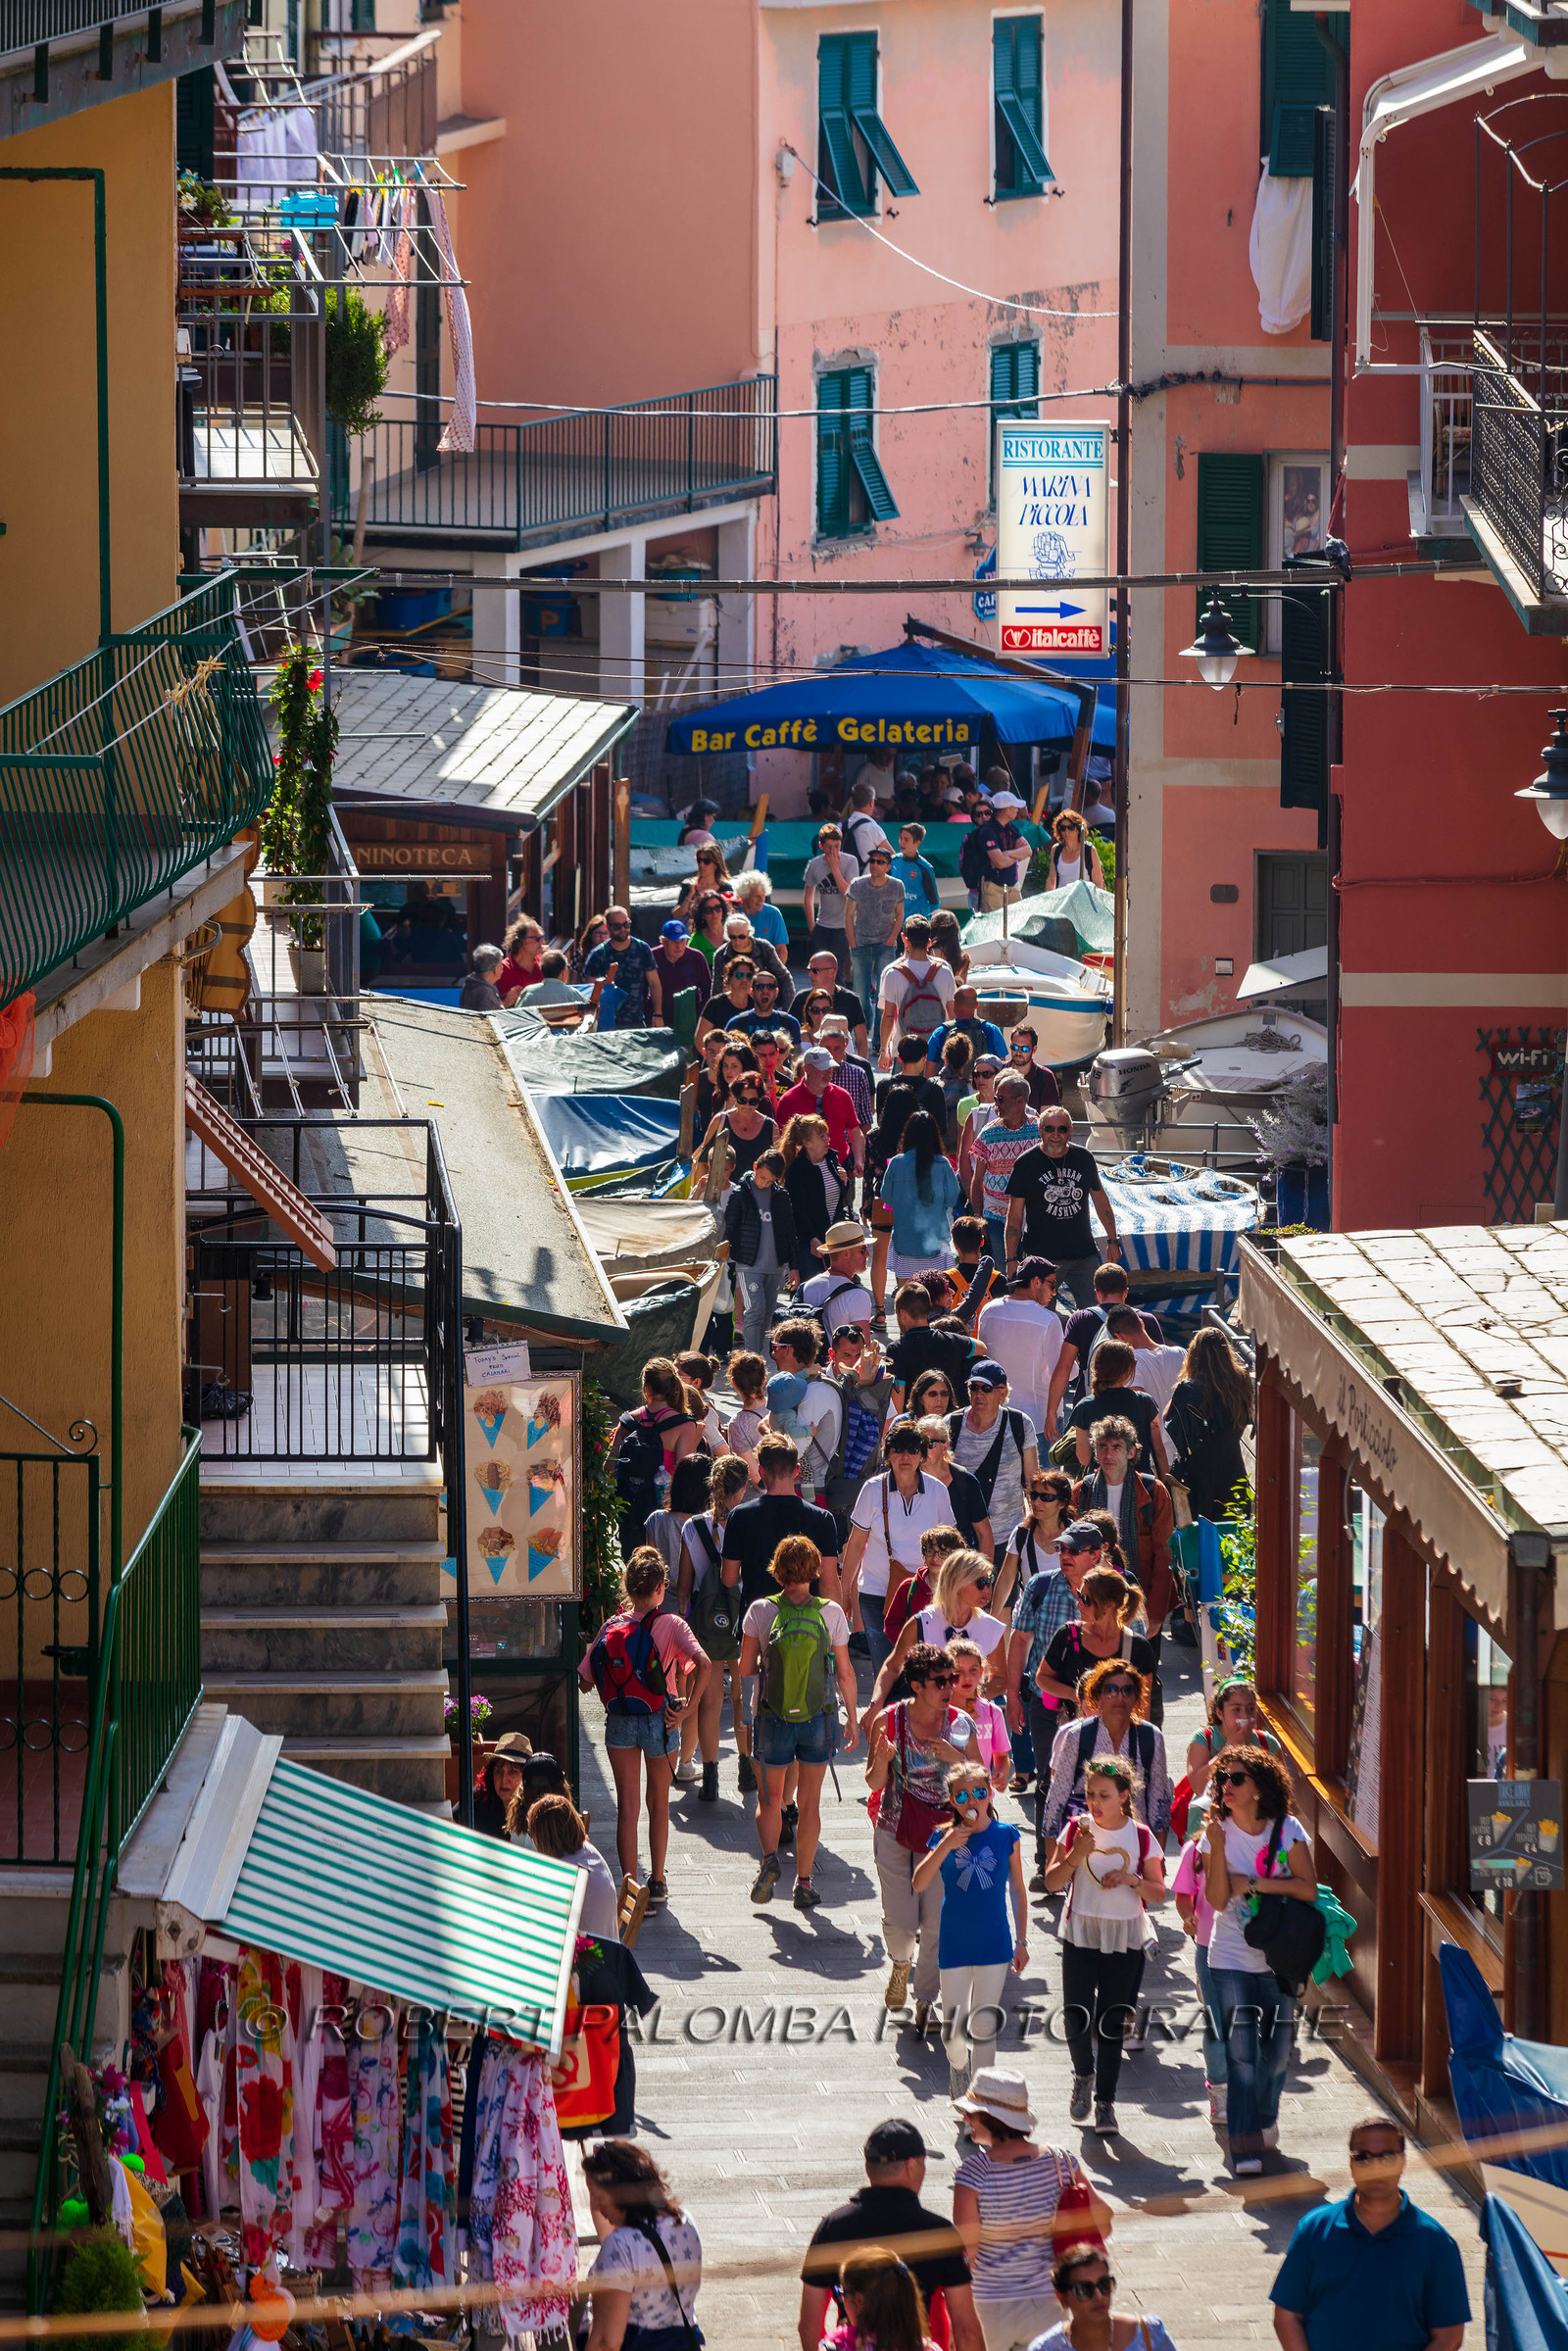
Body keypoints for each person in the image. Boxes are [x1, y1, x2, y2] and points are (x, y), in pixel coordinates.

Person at [1200, 1742, 1316, 2173]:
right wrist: (1213, 1849)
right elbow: (1215, 1900)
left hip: (1281, 1958)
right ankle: (1244, 2145)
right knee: (1242, 2054)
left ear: (1260, 1786)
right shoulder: (1217, 1833)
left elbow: (1308, 1888)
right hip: (1229, 1956)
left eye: (1236, 1778)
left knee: (1279, 2051)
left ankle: (1265, 2120)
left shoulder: (1288, 1831)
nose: (1226, 1786)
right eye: (1222, 1779)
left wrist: (1252, 1883)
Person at [1269, 2117, 1471, 2351]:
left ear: (1403, 2162)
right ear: (1351, 2163)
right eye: (1364, 2157)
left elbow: (1449, 2337)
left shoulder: (1436, 2243)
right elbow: (1286, 2317)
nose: (1375, 2168)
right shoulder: (1315, 2228)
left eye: (1386, 2157)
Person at [581, 1546, 710, 1905]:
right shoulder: (672, 1624)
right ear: (661, 1588)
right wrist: (689, 1709)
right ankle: (657, 1882)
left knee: (628, 1806)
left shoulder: (612, 1625)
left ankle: (629, 1888)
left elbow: (584, 1681)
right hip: (662, 1721)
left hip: (620, 1721)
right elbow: (705, 1664)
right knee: (659, 1803)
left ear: (628, 1587)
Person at [1045, 1754, 1166, 2132]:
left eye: (1104, 1795)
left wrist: (1132, 1881)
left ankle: (1106, 2103)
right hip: (1081, 1930)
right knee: (1076, 2014)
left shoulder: (1141, 1836)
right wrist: (1075, 1855)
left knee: (1112, 2022)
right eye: (1090, 1794)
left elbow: (1159, 1892)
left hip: (1125, 1934)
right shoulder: (1075, 1831)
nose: (1095, 1803)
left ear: (1124, 1796)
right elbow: (1051, 1882)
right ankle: (1084, 2074)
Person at [740, 1534, 859, 1910]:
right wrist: (852, 1717)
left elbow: (744, 1668)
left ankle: (770, 1860)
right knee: (809, 1804)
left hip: (772, 1716)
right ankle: (804, 1883)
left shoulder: (760, 1610)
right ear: (814, 1570)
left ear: (778, 1570)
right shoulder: (832, 1613)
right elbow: (844, 1673)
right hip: (818, 1717)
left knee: (770, 1798)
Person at [953, 2070, 1108, 2351]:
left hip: (989, 2305)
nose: (966, 2119)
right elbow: (1104, 2222)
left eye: (971, 2113)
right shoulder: (1061, 2161)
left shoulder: (973, 2172)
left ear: (990, 2117)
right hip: (1047, 2304)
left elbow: (967, 2251)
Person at [867, 1642, 980, 2027]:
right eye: (940, 1681)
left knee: (936, 1923)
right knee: (900, 1923)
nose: (951, 1686)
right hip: (896, 1828)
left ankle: (926, 1997)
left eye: (952, 1678)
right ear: (916, 1686)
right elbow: (873, 1781)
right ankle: (901, 1963)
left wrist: (959, 1760)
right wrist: (881, 1762)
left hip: (946, 1836)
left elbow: (981, 1784)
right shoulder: (888, 1721)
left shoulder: (961, 1724)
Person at [800, 2117, 983, 2351]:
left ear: (869, 2167)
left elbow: (808, 2326)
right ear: (912, 2165)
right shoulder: (939, 2234)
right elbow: (966, 2331)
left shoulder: (831, 2228)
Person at [914, 1762, 1028, 2097]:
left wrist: (1022, 1941)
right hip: (954, 1945)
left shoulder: (1007, 1834)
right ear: (952, 1801)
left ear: (989, 1794)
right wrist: (946, 1845)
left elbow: (1018, 1889)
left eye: (979, 1792)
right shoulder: (943, 1838)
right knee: (953, 2034)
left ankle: (981, 2101)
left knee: (984, 2025)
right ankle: (958, 2067)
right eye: (962, 1795)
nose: (972, 1801)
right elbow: (919, 1882)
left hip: (994, 1944)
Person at [844, 1421, 959, 1670]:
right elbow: (855, 1545)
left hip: (927, 1593)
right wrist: (845, 1595)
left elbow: (951, 1547)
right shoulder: (873, 1490)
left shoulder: (938, 1491)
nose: (905, 1456)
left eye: (912, 1449)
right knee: (887, 1670)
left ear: (922, 1455)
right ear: (887, 1454)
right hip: (876, 1593)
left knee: (925, 1669)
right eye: (897, 1449)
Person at [678, 1450, 753, 1799]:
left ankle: (709, 1778)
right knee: (741, 1698)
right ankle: (745, 1766)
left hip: (706, 1625)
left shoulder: (692, 1528)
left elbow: (683, 1588)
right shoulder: (748, 1522)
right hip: (743, 1622)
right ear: (744, 1486)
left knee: (709, 1702)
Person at [580, 2139, 703, 2351]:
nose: (597, 2207)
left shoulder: (620, 2247)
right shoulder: (684, 2221)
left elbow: (606, 2343)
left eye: (599, 2198)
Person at [1041, 1658, 1172, 1845]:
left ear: (1137, 1697)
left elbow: (1160, 1802)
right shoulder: (1078, 1736)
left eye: (1127, 1690)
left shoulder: (1151, 1737)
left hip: (1134, 1845)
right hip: (1084, 1844)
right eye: (1110, 1690)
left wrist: (1157, 1856)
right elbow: (1056, 1798)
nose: (1119, 1697)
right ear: (1097, 1696)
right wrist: (1052, 1858)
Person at [1073, 1418, 1175, 1655]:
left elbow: (1164, 1555)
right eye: (1102, 1446)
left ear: (1131, 1452)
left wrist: (1157, 1613)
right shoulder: (1082, 1492)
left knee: (1143, 1670)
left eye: (1116, 1447)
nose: (1108, 1453)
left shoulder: (1153, 1492)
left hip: (1140, 1596)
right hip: (1093, 1599)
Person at [1004, 1110, 1121, 1314]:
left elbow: (1101, 1201)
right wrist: (1011, 1258)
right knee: (1040, 1316)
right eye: (1049, 1128)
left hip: (1083, 1254)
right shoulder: (1025, 1163)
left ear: (1070, 1131)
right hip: (1042, 1258)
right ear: (1040, 1130)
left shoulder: (1084, 1158)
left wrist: (1113, 1240)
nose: (1055, 1134)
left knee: (1096, 1315)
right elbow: (1014, 1216)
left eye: (1062, 1129)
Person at [873, 1546, 1008, 1710]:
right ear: (958, 1582)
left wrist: (969, 1699)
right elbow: (892, 1667)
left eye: (989, 1581)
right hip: (925, 1718)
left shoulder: (991, 1628)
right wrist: (876, 1704)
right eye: (981, 1582)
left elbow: (1000, 1680)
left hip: (971, 1719)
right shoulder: (922, 1623)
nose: (987, 1589)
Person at [1045, 1263, 1156, 1435]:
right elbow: (1158, 1367)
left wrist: (1051, 1412)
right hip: (1135, 1412)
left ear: (1097, 1293)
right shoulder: (1146, 1321)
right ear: (1125, 1292)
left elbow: (1063, 1369)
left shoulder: (1080, 1319)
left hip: (1090, 1410)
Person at [1035, 1565, 1155, 1713]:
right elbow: (1042, 1678)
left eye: (1086, 1599)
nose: (1078, 1603)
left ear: (1109, 1605)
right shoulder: (1067, 1635)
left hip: (1121, 1734)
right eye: (1079, 1595)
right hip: (1076, 1732)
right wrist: (1076, 1695)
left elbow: (1143, 1709)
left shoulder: (1138, 1647)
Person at [948, 1360, 1039, 1555]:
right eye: (974, 1387)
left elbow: (1033, 1482)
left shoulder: (1020, 1424)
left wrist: (1035, 1527)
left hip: (1008, 1536)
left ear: (1003, 1392)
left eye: (986, 1389)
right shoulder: (951, 1424)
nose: (978, 1394)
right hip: (960, 1536)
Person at [1165, 1328, 1254, 1523]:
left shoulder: (1188, 1389)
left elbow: (1172, 1425)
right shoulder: (1242, 1382)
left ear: (1194, 1354)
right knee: (1234, 1531)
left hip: (1199, 1474)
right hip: (1233, 1468)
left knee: (1201, 1535)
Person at [612, 1360, 701, 1557]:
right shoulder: (684, 1425)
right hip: (664, 1512)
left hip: (630, 1508)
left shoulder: (627, 1421)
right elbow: (684, 1475)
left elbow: (609, 1466)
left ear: (647, 1387)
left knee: (634, 1564)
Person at [1171, 1826, 1227, 2125]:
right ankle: (1219, 2091)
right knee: (1217, 2022)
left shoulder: (1263, 1840)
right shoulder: (1194, 1850)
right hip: (1209, 1947)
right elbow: (1184, 1896)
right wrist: (1188, 1916)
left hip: (1255, 1949)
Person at [1031, 2241, 1180, 2351]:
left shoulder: (1149, 2334)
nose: (1098, 2296)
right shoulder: (1046, 2348)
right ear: (1063, 2298)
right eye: (1084, 2289)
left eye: (1104, 2285)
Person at [976, 1259, 1062, 1439]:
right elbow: (1063, 1373)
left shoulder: (988, 1310)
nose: (1054, 1292)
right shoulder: (1049, 1320)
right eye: (1052, 1284)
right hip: (1038, 1422)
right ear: (1036, 1282)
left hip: (995, 1417)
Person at [518, 1791, 621, 1939]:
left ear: (543, 1838)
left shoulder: (567, 1875)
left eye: (531, 1833)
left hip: (588, 1956)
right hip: (606, 1949)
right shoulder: (586, 1850)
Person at [724, 1147, 796, 1354]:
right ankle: (751, 1358)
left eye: (769, 1180)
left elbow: (790, 1232)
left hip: (774, 1266)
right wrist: (726, 1245)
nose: (763, 1183)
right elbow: (729, 1225)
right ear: (755, 1167)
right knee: (754, 1310)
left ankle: (756, 1356)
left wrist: (794, 1266)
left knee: (766, 1314)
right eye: (762, 1177)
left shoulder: (782, 1197)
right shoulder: (740, 1194)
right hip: (748, 1263)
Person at [881, 1109, 962, 1283]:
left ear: (907, 1135)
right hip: (936, 1246)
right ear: (935, 1135)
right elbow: (952, 1199)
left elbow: (887, 1197)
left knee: (906, 1299)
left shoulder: (896, 1163)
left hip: (904, 1244)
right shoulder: (942, 1163)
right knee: (937, 1299)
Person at [969, 1075, 1039, 1270]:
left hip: (1030, 1212)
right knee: (1002, 1264)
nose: (995, 1105)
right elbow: (977, 1180)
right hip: (995, 1211)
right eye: (995, 1098)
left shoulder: (1040, 1131)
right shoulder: (988, 1133)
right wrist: (978, 1217)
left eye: (1000, 1099)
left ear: (1019, 1101)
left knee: (1029, 1266)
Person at [1067, 1352, 1169, 1481]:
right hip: (1141, 1485)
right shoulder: (1145, 1401)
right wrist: (1166, 1485)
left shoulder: (1085, 1406)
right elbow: (1159, 1450)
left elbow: (1084, 1458)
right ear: (1128, 1369)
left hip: (1101, 1485)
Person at [879, 913, 957, 1069]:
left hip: (903, 1051)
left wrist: (884, 1050)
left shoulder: (892, 973)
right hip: (936, 1051)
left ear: (904, 939)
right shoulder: (944, 970)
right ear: (929, 942)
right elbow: (952, 1014)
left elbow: (888, 1016)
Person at [778, 1046, 864, 1176]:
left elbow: (856, 1132)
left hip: (840, 1169)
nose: (829, 1073)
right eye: (823, 1068)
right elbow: (781, 1139)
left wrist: (859, 1160)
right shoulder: (788, 1100)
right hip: (802, 1173)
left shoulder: (843, 1095)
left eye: (831, 1068)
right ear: (806, 1069)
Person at [781, 1113, 851, 1276]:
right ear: (807, 1143)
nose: (828, 1139)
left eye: (826, 1134)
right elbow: (797, 1211)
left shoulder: (832, 1160)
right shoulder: (797, 1170)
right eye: (821, 1136)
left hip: (834, 1240)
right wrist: (812, 1238)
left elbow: (836, 1199)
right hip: (810, 1245)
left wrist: (844, 1183)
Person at [915, 1416, 994, 1557]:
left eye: (930, 1444)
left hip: (957, 1567)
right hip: (918, 1566)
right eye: (920, 1443)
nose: (923, 1449)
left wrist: (984, 1576)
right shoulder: (908, 1481)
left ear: (945, 1447)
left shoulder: (964, 1481)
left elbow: (984, 1534)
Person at [890, 1283, 974, 1407]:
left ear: (902, 1313)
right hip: (947, 1421)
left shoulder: (896, 1349)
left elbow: (897, 1401)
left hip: (915, 1423)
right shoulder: (951, 1341)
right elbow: (982, 1347)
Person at [846, 842, 906, 1018]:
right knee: (860, 994)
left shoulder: (897, 886)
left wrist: (892, 939)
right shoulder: (858, 884)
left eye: (880, 862)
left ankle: (880, 1039)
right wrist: (852, 942)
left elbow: (900, 915)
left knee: (884, 993)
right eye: (872, 861)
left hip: (885, 945)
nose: (874, 864)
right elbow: (848, 915)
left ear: (888, 867)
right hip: (861, 944)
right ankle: (864, 1029)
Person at [692, 1069, 774, 1195]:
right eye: (742, 1100)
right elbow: (703, 1163)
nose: (747, 1106)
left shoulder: (771, 1127)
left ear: (760, 1100)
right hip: (720, 1196)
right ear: (734, 1097)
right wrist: (698, 1196)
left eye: (753, 1102)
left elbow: (777, 1169)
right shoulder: (720, 1121)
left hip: (756, 1198)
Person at [583, 906, 661, 1028]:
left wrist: (658, 1014)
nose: (623, 929)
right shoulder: (598, 955)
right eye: (617, 927)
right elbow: (590, 991)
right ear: (608, 927)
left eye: (626, 925)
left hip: (636, 1021)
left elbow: (654, 983)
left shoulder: (642, 949)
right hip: (606, 1023)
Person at [803, 1221, 878, 1340]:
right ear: (846, 1253)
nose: (868, 1254)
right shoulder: (858, 1297)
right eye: (863, 1249)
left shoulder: (807, 1286)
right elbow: (863, 1349)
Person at [712, 910, 796, 1008]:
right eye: (733, 937)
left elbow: (784, 977)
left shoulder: (764, 948)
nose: (737, 941)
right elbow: (717, 986)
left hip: (763, 1003)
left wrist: (788, 1009)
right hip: (733, 1005)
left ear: (748, 933)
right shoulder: (721, 954)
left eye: (741, 937)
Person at [804, 822, 860, 964]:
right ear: (821, 846)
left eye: (837, 846)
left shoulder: (850, 861)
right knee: (820, 967)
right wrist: (812, 927)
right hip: (822, 925)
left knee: (836, 969)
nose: (833, 851)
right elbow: (808, 897)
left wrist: (835, 868)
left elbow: (848, 894)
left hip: (843, 926)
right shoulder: (814, 864)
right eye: (829, 847)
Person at [970, 788, 1032, 912]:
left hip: (1013, 886)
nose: (1017, 810)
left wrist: (1008, 853)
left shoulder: (1010, 826)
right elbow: (1000, 863)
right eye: (1015, 807)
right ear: (1007, 810)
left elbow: (1028, 850)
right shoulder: (987, 831)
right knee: (994, 927)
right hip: (994, 887)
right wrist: (1017, 853)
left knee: (1017, 924)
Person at [806, 948, 871, 1056]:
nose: (810, 974)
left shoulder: (851, 1000)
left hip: (842, 1062)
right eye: (809, 969)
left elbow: (861, 1041)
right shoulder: (801, 998)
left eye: (815, 970)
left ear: (832, 971)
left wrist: (862, 1068)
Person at [819, 1013, 875, 1134]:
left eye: (836, 1048)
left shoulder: (858, 1072)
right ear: (820, 1044)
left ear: (845, 1044)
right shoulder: (809, 1071)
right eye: (827, 1048)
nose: (831, 1054)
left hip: (849, 1144)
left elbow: (866, 1115)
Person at [469, 1729, 532, 1837]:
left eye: (513, 1772)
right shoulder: (476, 1799)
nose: (504, 1780)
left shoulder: (536, 1809)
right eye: (498, 1772)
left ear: (526, 1776)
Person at [726, 967, 803, 1052]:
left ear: (776, 993)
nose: (765, 991)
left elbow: (796, 1058)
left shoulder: (790, 1023)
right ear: (751, 992)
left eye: (770, 986)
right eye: (760, 987)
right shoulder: (736, 1023)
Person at [653, 918, 711, 1017]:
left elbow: (707, 989)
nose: (679, 946)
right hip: (659, 1017)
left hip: (690, 1017)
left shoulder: (697, 957)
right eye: (674, 941)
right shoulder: (652, 956)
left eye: (682, 940)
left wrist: (703, 1015)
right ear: (663, 941)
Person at [1005, 1025, 1063, 1114]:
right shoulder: (999, 1072)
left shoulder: (1045, 1077)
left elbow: (1047, 1119)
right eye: (1015, 1047)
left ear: (1034, 1049)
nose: (1019, 1052)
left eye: (1025, 1048)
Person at [1048, 808, 1105, 890]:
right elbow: (1051, 879)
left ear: (1078, 830)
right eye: (1063, 828)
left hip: (1084, 899)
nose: (1066, 832)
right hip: (1063, 900)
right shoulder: (1056, 850)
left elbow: (1098, 883)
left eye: (1070, 828)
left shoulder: (1089, 850)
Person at [892, 822, 942, 915]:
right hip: (895, 922)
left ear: (917, 843)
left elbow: (934, 901)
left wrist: (931, 923)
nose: (901, 842)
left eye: (906, 840)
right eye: (900, 838)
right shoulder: (893, 862)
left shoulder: (925, 868)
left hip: (916, 923)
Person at [844, 775, 895, 866]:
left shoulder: (842, 825)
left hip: (844, 879)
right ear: (872, 802)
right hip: (867, 879)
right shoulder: (871, 828)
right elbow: (892, 856)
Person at [735, 867, 789, 952]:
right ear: (745, 896)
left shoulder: (774, 914)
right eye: (757, 896)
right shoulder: (733, 913)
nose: (762, 900)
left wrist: (776, 965)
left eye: (763, 895)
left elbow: (781, 949)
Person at [496, 914, 545, 1004]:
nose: (542, 941)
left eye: (542, 937)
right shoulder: (504, 969)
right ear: (521, 941)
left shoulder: (544, 963)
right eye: (538, 938)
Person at [518, 949, 587, 1009]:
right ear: (563, 972)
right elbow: (589, 1016)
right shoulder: (573, 995)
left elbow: (518, 1016)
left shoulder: (528, 992)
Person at [687, 889, 730, 967]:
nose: (714, 913)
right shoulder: (696, 940)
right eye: (708, 910)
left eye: (718, 908)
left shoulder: (733, 929)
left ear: (723, 910)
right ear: (702, 914)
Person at [459, 944, 506, 1010]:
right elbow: (487, 1018)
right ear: (495, 969)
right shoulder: (486, 992)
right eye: (501, 965)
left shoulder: (470, 984)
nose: (502, 968)